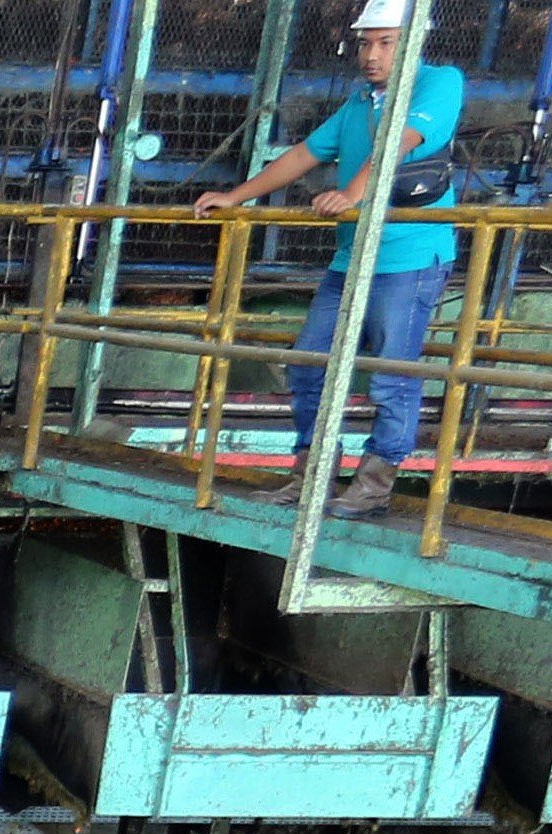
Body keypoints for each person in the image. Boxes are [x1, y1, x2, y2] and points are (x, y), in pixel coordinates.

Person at [192, 0, 464, 519]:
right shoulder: (361, 100)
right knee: (309, 361)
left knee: (391, 373)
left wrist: (355, 192)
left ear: (413, 44)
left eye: (386, 43)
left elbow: (399, 143)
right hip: (351, 257)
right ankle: (310, 471)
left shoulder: (440, 83)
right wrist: (238, 195)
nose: (372, 54)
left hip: (409, 258)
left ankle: (375, 482)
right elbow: (304, 154)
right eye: (366, 43)